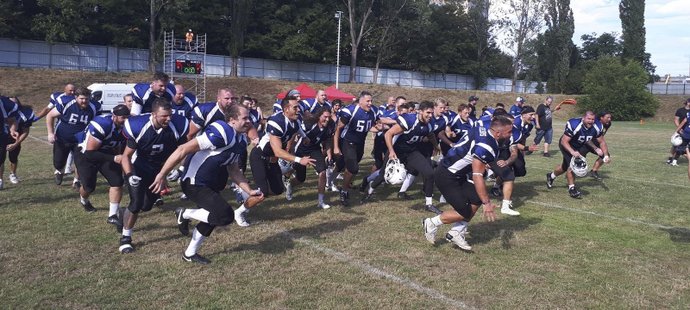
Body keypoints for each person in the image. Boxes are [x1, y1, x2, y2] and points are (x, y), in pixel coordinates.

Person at [150, 104, 263, 264]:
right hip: (194, 182)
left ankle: (189, 254)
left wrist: (249, 190)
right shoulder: (221, 132)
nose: (248, 121)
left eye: (249, 117)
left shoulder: (240, 140)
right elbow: (183, 149)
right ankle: (185, 213)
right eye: (244, 118)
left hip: (211, 184)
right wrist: (162, 174)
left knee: (212, 219)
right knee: (225, 215)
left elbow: (234, 170)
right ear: (231, 120)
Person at [422, 115, 512, 251]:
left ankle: (456, 232)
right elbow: (477, 176)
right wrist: (487, 203)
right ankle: (431, 223)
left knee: (476, 198)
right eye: (509, 132)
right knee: (464, 212)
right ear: (498, 133)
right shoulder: (486, 146)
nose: (510, 135)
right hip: (447, 175)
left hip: (457, 173)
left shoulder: (481, 129)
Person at [118, 98, 189, 254]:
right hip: (138, 167)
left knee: (146, 205)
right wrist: (129, 175)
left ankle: (123, 212)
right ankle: (126, 238)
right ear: (153, 114)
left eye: (170, 115)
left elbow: (184, 150)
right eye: (164, 116)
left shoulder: (178, 125)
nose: (168, 118)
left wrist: (181, 169)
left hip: (158, 169)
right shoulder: (139, 126)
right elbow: (125, 157)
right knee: (136, 203)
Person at [245, 98, 315, 225]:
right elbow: (277, 151)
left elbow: (297, 128)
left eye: (298, 107)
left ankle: (249, 194)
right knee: (263, 193)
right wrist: (299, 160)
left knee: (278, 190)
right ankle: (240, 212)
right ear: (286, 109)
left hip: (272, 160)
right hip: (260, 157)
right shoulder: (276, 122)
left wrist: (304, 137)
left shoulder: (296, 119)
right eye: (295, 107)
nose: (298, 110)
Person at [362, 101, 438, 214]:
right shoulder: (410, 120)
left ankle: (429, 204)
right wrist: (391, 151)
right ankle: (369, 192)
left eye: (432, 113)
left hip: (411, 152)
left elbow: (430, 134)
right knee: (383, 175)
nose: (430, 115)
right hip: (396, 151)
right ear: (420, 111)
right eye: (428, 112)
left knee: (429, 173)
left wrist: (436, 146)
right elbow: (389, 134)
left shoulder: (429, 123)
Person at [74, 104, 129, 219]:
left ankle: (113, 215)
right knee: (89, 187)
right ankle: (84, 200)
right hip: (86, 154)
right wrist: (114, 158)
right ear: (114, 116)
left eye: (127, 117)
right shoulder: (103, 125)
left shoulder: (127, 125)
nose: (125, 120)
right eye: (123, 117)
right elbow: (90, 152)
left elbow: (120, 145)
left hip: (107, 152)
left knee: (117, 182)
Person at [46, 87, 101, 187]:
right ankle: (59, 170)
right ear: (76, 97)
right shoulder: (66, 103)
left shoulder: (94, 107)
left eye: (86, 99)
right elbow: (50, 115)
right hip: (63, 138)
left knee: (80, 162)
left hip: (81, 140)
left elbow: (97, 122)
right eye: (81, 99)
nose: (84, 101)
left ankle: (76, 180)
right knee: (58, 162)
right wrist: (50, 133)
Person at [489, 106, 539, 216]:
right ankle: (495, 184)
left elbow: (515, 148)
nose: (533, 117)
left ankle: (500, 186)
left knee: (518, 170)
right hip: (487, 153)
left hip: (503, 151)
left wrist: (525, 149)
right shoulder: (489, 130)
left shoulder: (514, 133)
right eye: (531, 114)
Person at [333, 91, 380, 206]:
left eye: (371, 101)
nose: (370, 103)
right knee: (353, 168)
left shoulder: (373, 111)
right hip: (348, 142)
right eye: (368, 101)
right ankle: (343, 191)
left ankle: (343, 183)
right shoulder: (350, 111)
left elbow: (370, 126)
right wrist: (335, 146)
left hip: (360, 143)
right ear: (360, 101)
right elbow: (338, 128)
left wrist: (381, 128)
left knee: (350, 167)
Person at [546, 111, 608, 198]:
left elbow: (601, 141)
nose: (591, 121)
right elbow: (564, 141)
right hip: (567, 145)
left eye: (593, 119)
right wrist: (572, 152)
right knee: (572, 165)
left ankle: (551, 176)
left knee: (564, 166)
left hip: (581, 145)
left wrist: (604, 155)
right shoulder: (574, 124)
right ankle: (572, 189)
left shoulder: (598, 126)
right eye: (588, 119)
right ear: (583, 118)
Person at [284, 107, 334, 208]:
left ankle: (321, 201)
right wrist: (289, 147)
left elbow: (328, 140)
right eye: (325, 117)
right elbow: (295, 132)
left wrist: (329, 154)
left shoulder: (330, 125)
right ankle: (289, 183)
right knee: (301, 179)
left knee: (322, 172)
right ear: (319, 116)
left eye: (329, 117)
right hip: (301, 150)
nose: (327, 119)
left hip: (315, 149)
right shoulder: (309, 124)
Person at [1, 97, 34, 187]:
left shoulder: (24, 114)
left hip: (14, 138)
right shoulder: (3, 110)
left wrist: (16, 143)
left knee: (13, 158)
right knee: (1, 159)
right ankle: (0, 179)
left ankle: (13, 174)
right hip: (2, 137)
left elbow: (25, 131)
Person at [0, 96, 19, 189]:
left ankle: (0, 179)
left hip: (2, 135)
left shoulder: (4, 103)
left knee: (1, 159)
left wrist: (12, 130)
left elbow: (12, 120)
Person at [589, 111, 613, 180]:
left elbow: (601, 135)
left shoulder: (608, 124)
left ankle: (593, 171)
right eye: (607, 117)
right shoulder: (594, 122)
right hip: (587, 142)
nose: (609, 119)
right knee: (577, 157)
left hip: (596, 142)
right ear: (601, 118)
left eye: (610, 117)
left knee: (605, 155)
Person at [668, 98, 690, 166]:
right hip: (683, 131)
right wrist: (678, 130)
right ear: (688, 102)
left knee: (684, 147)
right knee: (677, 146)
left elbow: (684, 121)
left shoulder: (689, 113)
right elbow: (677, 120)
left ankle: (674, 160)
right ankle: (672, 159)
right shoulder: (681, 110)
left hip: (686, 131)